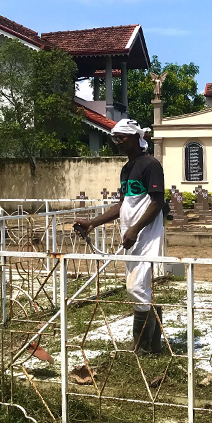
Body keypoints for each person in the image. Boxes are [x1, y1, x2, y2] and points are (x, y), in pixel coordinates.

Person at [73, 119, 166, 354]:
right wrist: (92, 223)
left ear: (136, 137)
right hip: (131, 236)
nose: (117, 142)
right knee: (139, 287)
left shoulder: (151, 165)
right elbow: (122, 205)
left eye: (122, 137)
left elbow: (157, 203)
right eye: (115, 138)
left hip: (146, 235)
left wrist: (135, 229)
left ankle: (143, 346)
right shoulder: (126, 169)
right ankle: (152, 342)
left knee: (136, 287)